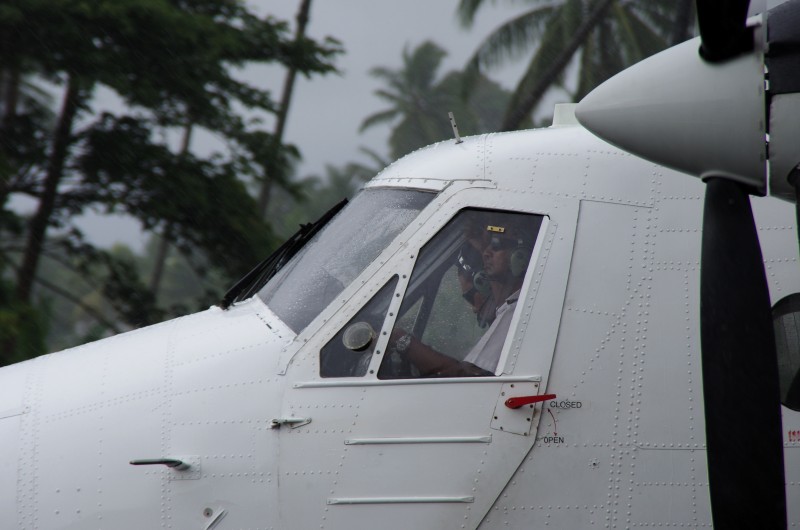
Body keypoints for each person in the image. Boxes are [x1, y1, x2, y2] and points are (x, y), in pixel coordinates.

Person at [389, 220, 533, 377]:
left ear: (521, 255)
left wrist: (400, 339)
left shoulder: (516, 312)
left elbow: (467, 377)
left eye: (497, 245)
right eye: (486, 247)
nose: (486, 254)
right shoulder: (512, 307)